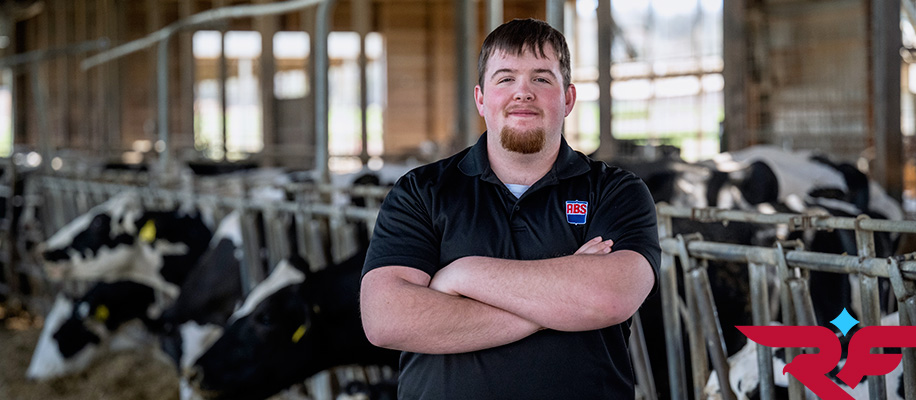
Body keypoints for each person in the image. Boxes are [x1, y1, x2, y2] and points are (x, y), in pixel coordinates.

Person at [360, 18, 661, 399]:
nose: (523, 93)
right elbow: (387, 319)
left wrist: (464, 275)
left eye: (541, 78)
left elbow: (609, 298)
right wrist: (562, 305)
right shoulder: (421, 192)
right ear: (481, 98)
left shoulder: (616, 191)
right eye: (505, 79)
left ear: (567, 98)